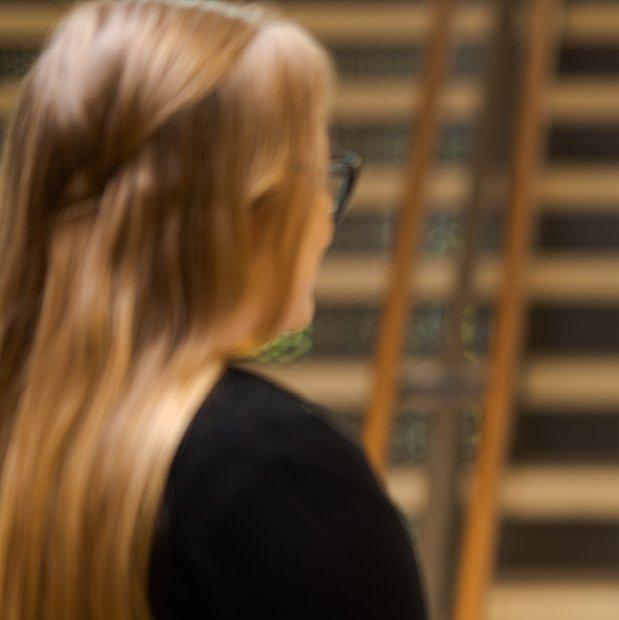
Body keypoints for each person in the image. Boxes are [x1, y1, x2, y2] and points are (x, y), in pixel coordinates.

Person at [0, 1, 426, 618]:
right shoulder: (277, 475)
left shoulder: (26, 437)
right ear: (249, 211)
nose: (323, 222)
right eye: (320, 176)